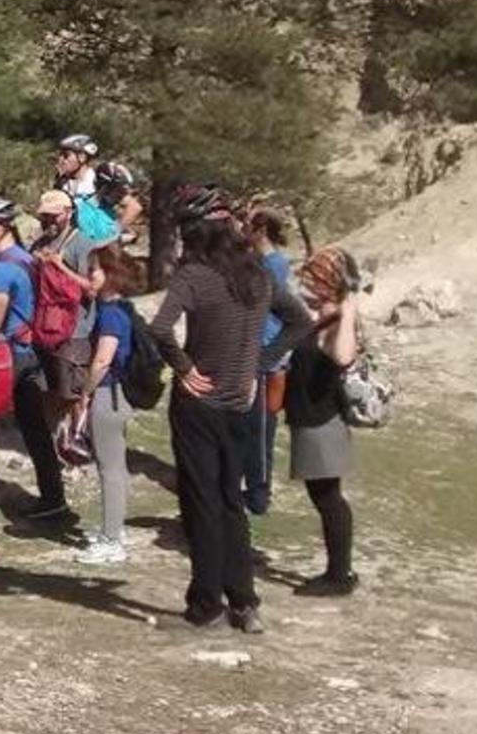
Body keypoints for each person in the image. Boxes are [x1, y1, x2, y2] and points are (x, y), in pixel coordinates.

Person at [146, 187, 315, 634]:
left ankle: (206, 606)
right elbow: (301, 321)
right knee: (231, 502)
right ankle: (245, 603)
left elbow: (160, 329)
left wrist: (183, 366)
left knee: (201, 504)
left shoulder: (195, 275)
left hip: (199, 405)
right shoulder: (258, 273)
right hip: (244, 402)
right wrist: (258, 363)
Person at [0, 196, 65, 521]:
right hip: (32, 354)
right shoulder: (27, 259)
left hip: (8, 356)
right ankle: (54, 498)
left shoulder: (1, 269)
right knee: (35, 428)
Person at [284, 247, 361, 597]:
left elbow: (343, 356)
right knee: (326, 497)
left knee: (329, 499)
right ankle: (338, 570)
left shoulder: (337, 322)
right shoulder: (323, 318)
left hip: (321, 422)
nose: (306, 285)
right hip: (310, 420)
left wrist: (348, 313)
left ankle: (339, 575)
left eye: (313, 279)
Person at [72, 243, 145, 566]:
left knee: (109, 469)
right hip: (117, 396)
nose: (90, 276)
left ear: (111, 274)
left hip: (108, 395)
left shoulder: (113, 314)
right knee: (116, 467)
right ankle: (113, 529)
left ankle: (112, 540)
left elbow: (102, 360)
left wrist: (85, 394)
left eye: (94, 270)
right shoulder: (119, 308)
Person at [32, 188, 103, 458]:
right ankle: (56, 442)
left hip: (75, 332)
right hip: (44, 328)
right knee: (49, 390)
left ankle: (78, 441)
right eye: (44, 216)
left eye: (53, 216)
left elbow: (92, 290)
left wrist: (60, 267)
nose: (48, 221)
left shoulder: (82, 244)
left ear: (68, 213)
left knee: (71, 392)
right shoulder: (40, 243)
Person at [241, 204, 295, 516]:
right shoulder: (265, 262)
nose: (243, 228)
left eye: (248, 224)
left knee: (261, 428)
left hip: (266, 355)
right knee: (252, 425)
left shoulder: (272, 266)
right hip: (258, 351)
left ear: (260, 229)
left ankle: (259, 493)